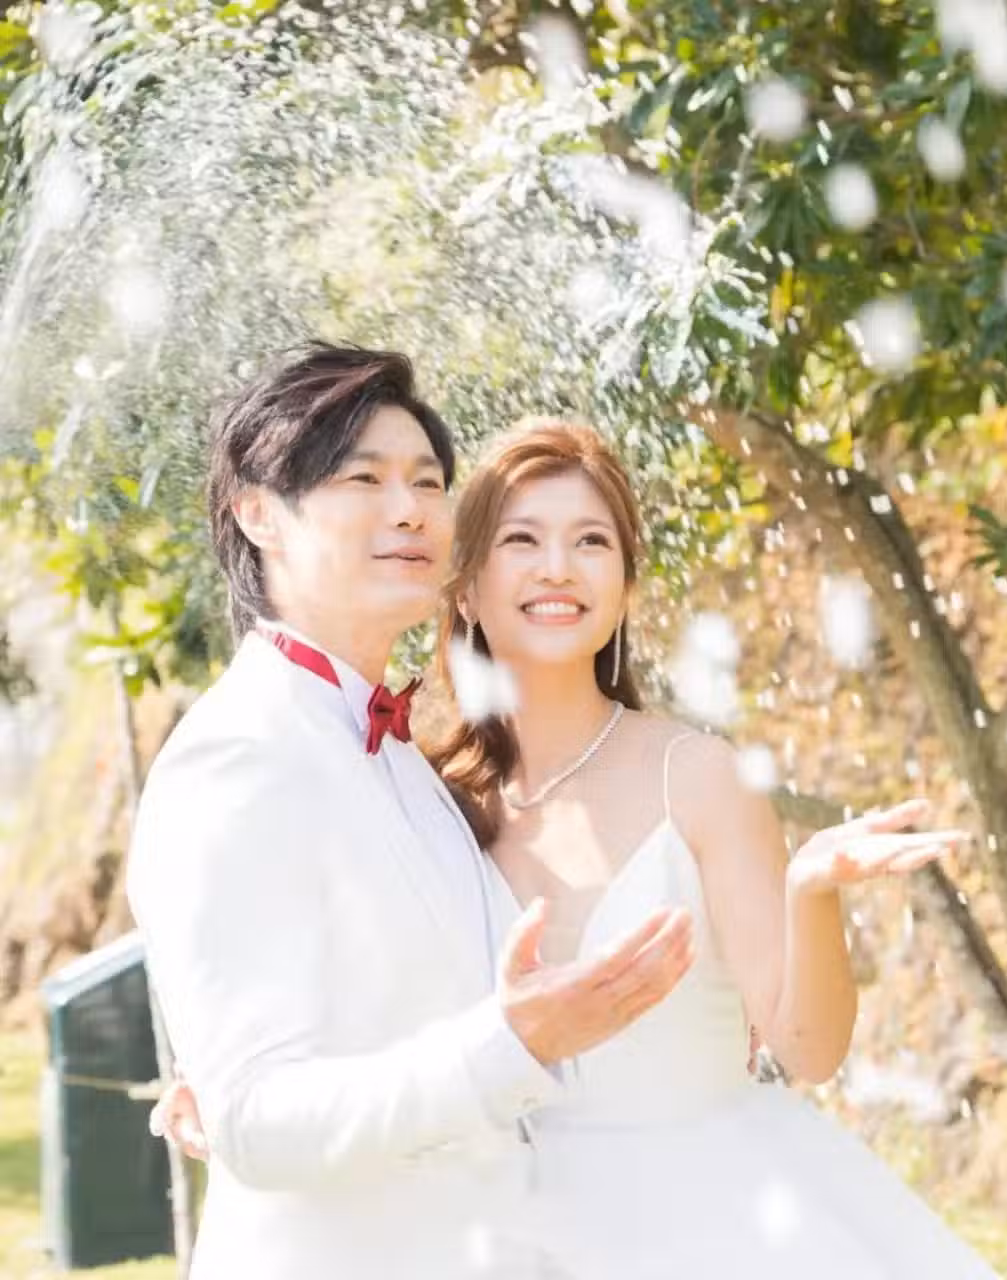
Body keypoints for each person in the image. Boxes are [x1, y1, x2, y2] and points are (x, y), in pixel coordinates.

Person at [126, 347, 695, 1280]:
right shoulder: (236, 758)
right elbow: (258, 1123)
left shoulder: (397, 752)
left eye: (428, 482)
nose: (411, 509)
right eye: (365, 480)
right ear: (259, 513)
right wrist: (513, 1044)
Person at [427, 419, 998, 1278]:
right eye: (522, 540)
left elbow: (807, 1051)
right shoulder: (431, 801)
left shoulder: (695, 777)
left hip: (718, 1219)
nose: (558, 568)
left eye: (591, 541)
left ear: (625, 585)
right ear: (467, 587)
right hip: (507, 1231)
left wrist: (809, 893)